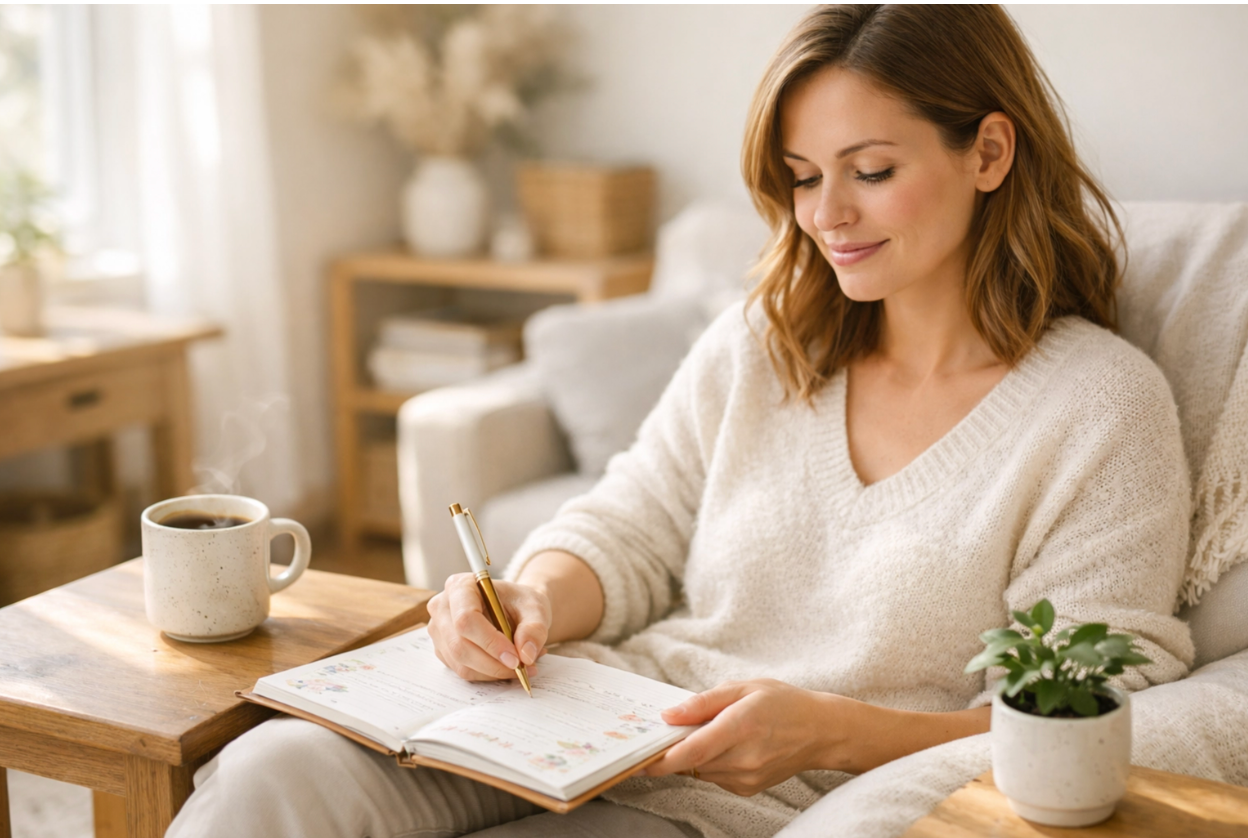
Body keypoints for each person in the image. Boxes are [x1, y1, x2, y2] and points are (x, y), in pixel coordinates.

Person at [167, 6, 1194, 838]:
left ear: (990, 151)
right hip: (587, 717)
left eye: (870, 171)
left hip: (736, 801)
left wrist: (831, 734)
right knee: (269, 775)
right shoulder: (771, 339)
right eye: (801, 177)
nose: (825, 213)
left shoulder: (1098, 407)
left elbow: (1095, 719)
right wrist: (527, 595)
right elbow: (631, 521)